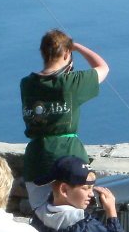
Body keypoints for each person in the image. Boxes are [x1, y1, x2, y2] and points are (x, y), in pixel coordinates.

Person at [20, 29, 109, 211]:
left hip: (36, 160)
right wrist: (78, 48)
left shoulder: (27, 84)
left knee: (42, 217)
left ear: (43, 53)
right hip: (70, 159)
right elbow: (103, 68)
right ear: (67, 53)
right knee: (74, 218)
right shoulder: (71, 83)